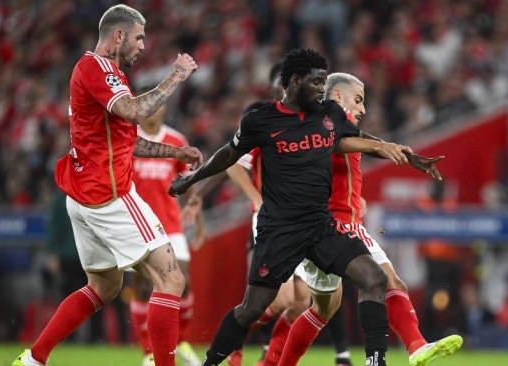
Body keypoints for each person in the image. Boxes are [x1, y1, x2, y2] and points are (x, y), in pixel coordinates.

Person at [169, 47, 418, 366]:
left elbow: (357, 138)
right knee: (252, 308)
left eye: (325, 83)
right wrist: (190, 181)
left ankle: (375, 360)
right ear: (296, 81)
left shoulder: (327, 115)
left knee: (374, 279)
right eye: (316, 82)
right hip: (279, 231)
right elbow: (228, 156)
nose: (321, 89)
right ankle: (211, 363)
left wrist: (396, 150)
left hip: (320, 227)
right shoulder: (260, 119)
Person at [13, 4, 202, 366]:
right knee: (171, 280)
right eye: (139, 37)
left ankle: (33, 360)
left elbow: (127, 141)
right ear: (118, 36)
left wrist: (175, 151)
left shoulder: (106, 75)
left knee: (104, 286)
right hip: (109, 195)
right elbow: (135, 113)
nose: (143, 46)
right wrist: (176, 75)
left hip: (83, 196)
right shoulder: (97, 68)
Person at [269, 73, 462, 366]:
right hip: (334, 225)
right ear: (337, 97)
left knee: (323, 308)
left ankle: (277, 365)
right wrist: (381, 148)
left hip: (330, 223)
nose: (363, 109)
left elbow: (349, 143)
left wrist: (397, 153)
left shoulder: (340, 127)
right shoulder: (321, 121)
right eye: (358, 100)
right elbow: (333, 142)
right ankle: (406, 349)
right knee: (384, 281)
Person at [219, 63, 356, 366]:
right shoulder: (266, 119)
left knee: (299, 303)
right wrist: (257, 200)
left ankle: (267, 363)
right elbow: (233, 163)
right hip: (275, 220)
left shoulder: (315, 122)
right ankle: (234, 338)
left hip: (306, 222)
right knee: (279, 300)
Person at [129, 86, 206, 366]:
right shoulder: (131, 139)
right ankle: (149, 353)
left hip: (171, 224)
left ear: (163, 108)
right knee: (141, 287)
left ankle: (181, 341)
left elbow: (190, 183)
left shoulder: (175, 140)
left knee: (182, 280)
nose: (153, 110)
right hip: (137, 226)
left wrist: (198, 221)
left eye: (157, 105)